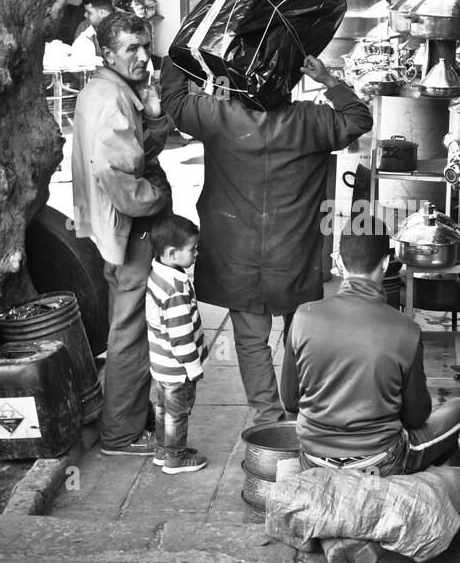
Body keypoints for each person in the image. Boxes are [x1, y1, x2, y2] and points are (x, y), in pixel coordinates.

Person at [159, 53, 371, 429]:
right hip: (293, 251)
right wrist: (327, 79)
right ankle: (302, 406)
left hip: (235, 253)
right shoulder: (312, 119)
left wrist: (183, 49)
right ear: (290, 82)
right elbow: (359, 117)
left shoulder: (218, 116)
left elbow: (173, 100)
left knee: (251, 339)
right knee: (300, 334)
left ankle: (268, 418)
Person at [280, 224, 460, 476]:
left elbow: (290, 400)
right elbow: (416, 417)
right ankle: (424, 482)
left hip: (313, 459)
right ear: (385, 264)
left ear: (338, 261)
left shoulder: (303, 316)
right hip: (381, 462)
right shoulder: (406, 329)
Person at [72, 12, 174, 455]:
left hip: (107, 228)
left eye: (144, 45)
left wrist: (151, 115)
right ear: (107, 53)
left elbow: (132, 152)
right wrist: (157, 196)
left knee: (127, 324)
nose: (141, 56)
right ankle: (122, 433)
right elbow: (119, 175)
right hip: (128, 229)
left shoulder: (105, 90)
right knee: (131, 330)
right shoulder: (112, 98)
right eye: (130, 48)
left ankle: (128, 420)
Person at [145, 214, 208, 475]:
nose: (196, 253)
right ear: (172, 253)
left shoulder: (159, 273)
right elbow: (181, 337)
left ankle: (162, 450)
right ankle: (175, 457)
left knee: (163, 410)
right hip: (177, 369)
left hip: (161, 365)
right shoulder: (176, 291)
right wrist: (193, 368)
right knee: (177, 414)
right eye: (192, 249)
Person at [70, 0, 116, 67]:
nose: (85, 15)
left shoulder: (123, 26)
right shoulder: (84, 27)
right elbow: (77, 62)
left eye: (89, 12)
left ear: (102, 12)